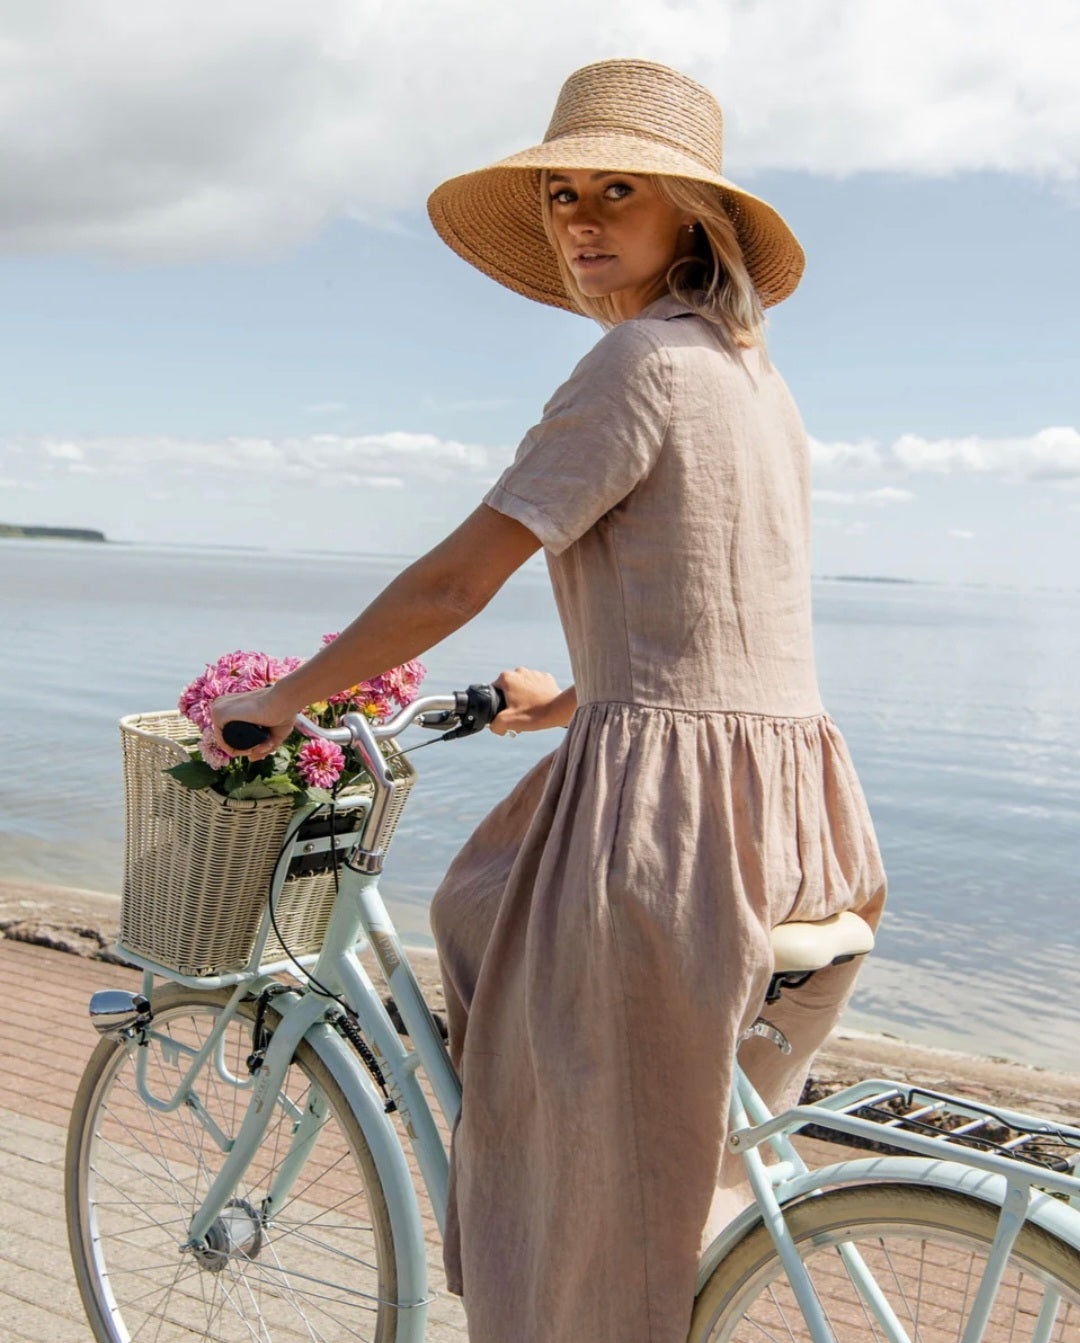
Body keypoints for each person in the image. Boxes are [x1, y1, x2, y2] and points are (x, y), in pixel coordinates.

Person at [213, 58, 886, 1343]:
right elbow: (728, 614)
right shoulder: (751, 375)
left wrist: (292, 696)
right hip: (798, 806)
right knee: (652, 1119)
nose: (581, 217)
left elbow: (463, 573)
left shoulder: (635, 362)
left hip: (670, 824)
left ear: (693, 215)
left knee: (510, 987)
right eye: (565, 192)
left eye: (618, 190)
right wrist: (581, 693)